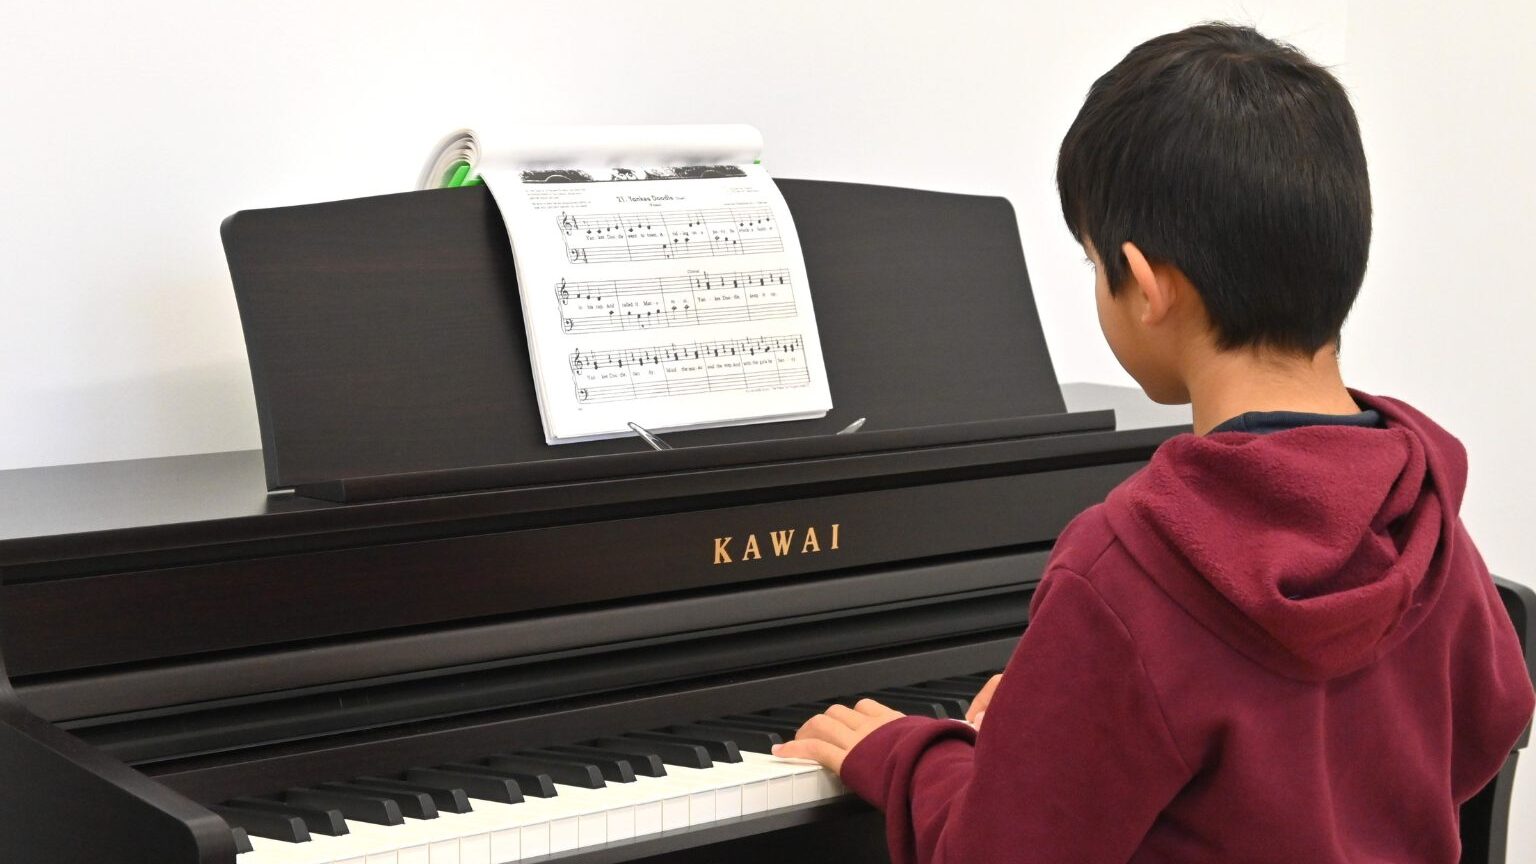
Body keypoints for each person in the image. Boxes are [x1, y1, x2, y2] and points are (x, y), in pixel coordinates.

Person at [772, 22, 1536, 863]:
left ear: (1143, 284)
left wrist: (911, 752)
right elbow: (1491, 719)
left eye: (1092, 259)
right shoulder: (1420, 508)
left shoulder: (1127, 567)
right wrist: (1051, 733)